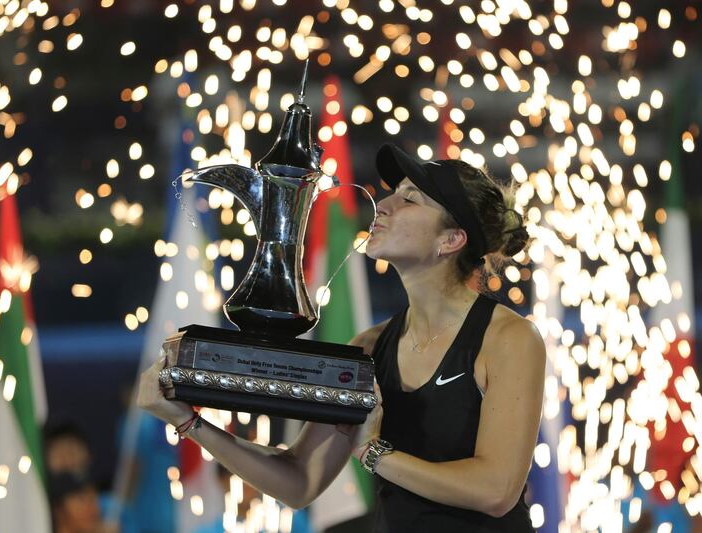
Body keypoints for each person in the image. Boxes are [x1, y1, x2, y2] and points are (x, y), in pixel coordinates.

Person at [138, 143, 546, 532]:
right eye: (392, 193)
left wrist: (373, 453)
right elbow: (299, 481)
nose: (381, 206)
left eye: (409, 199)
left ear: (451, 239)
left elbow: (496, 490)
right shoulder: (367, 348)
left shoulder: (509, 338)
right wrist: (191, 422)